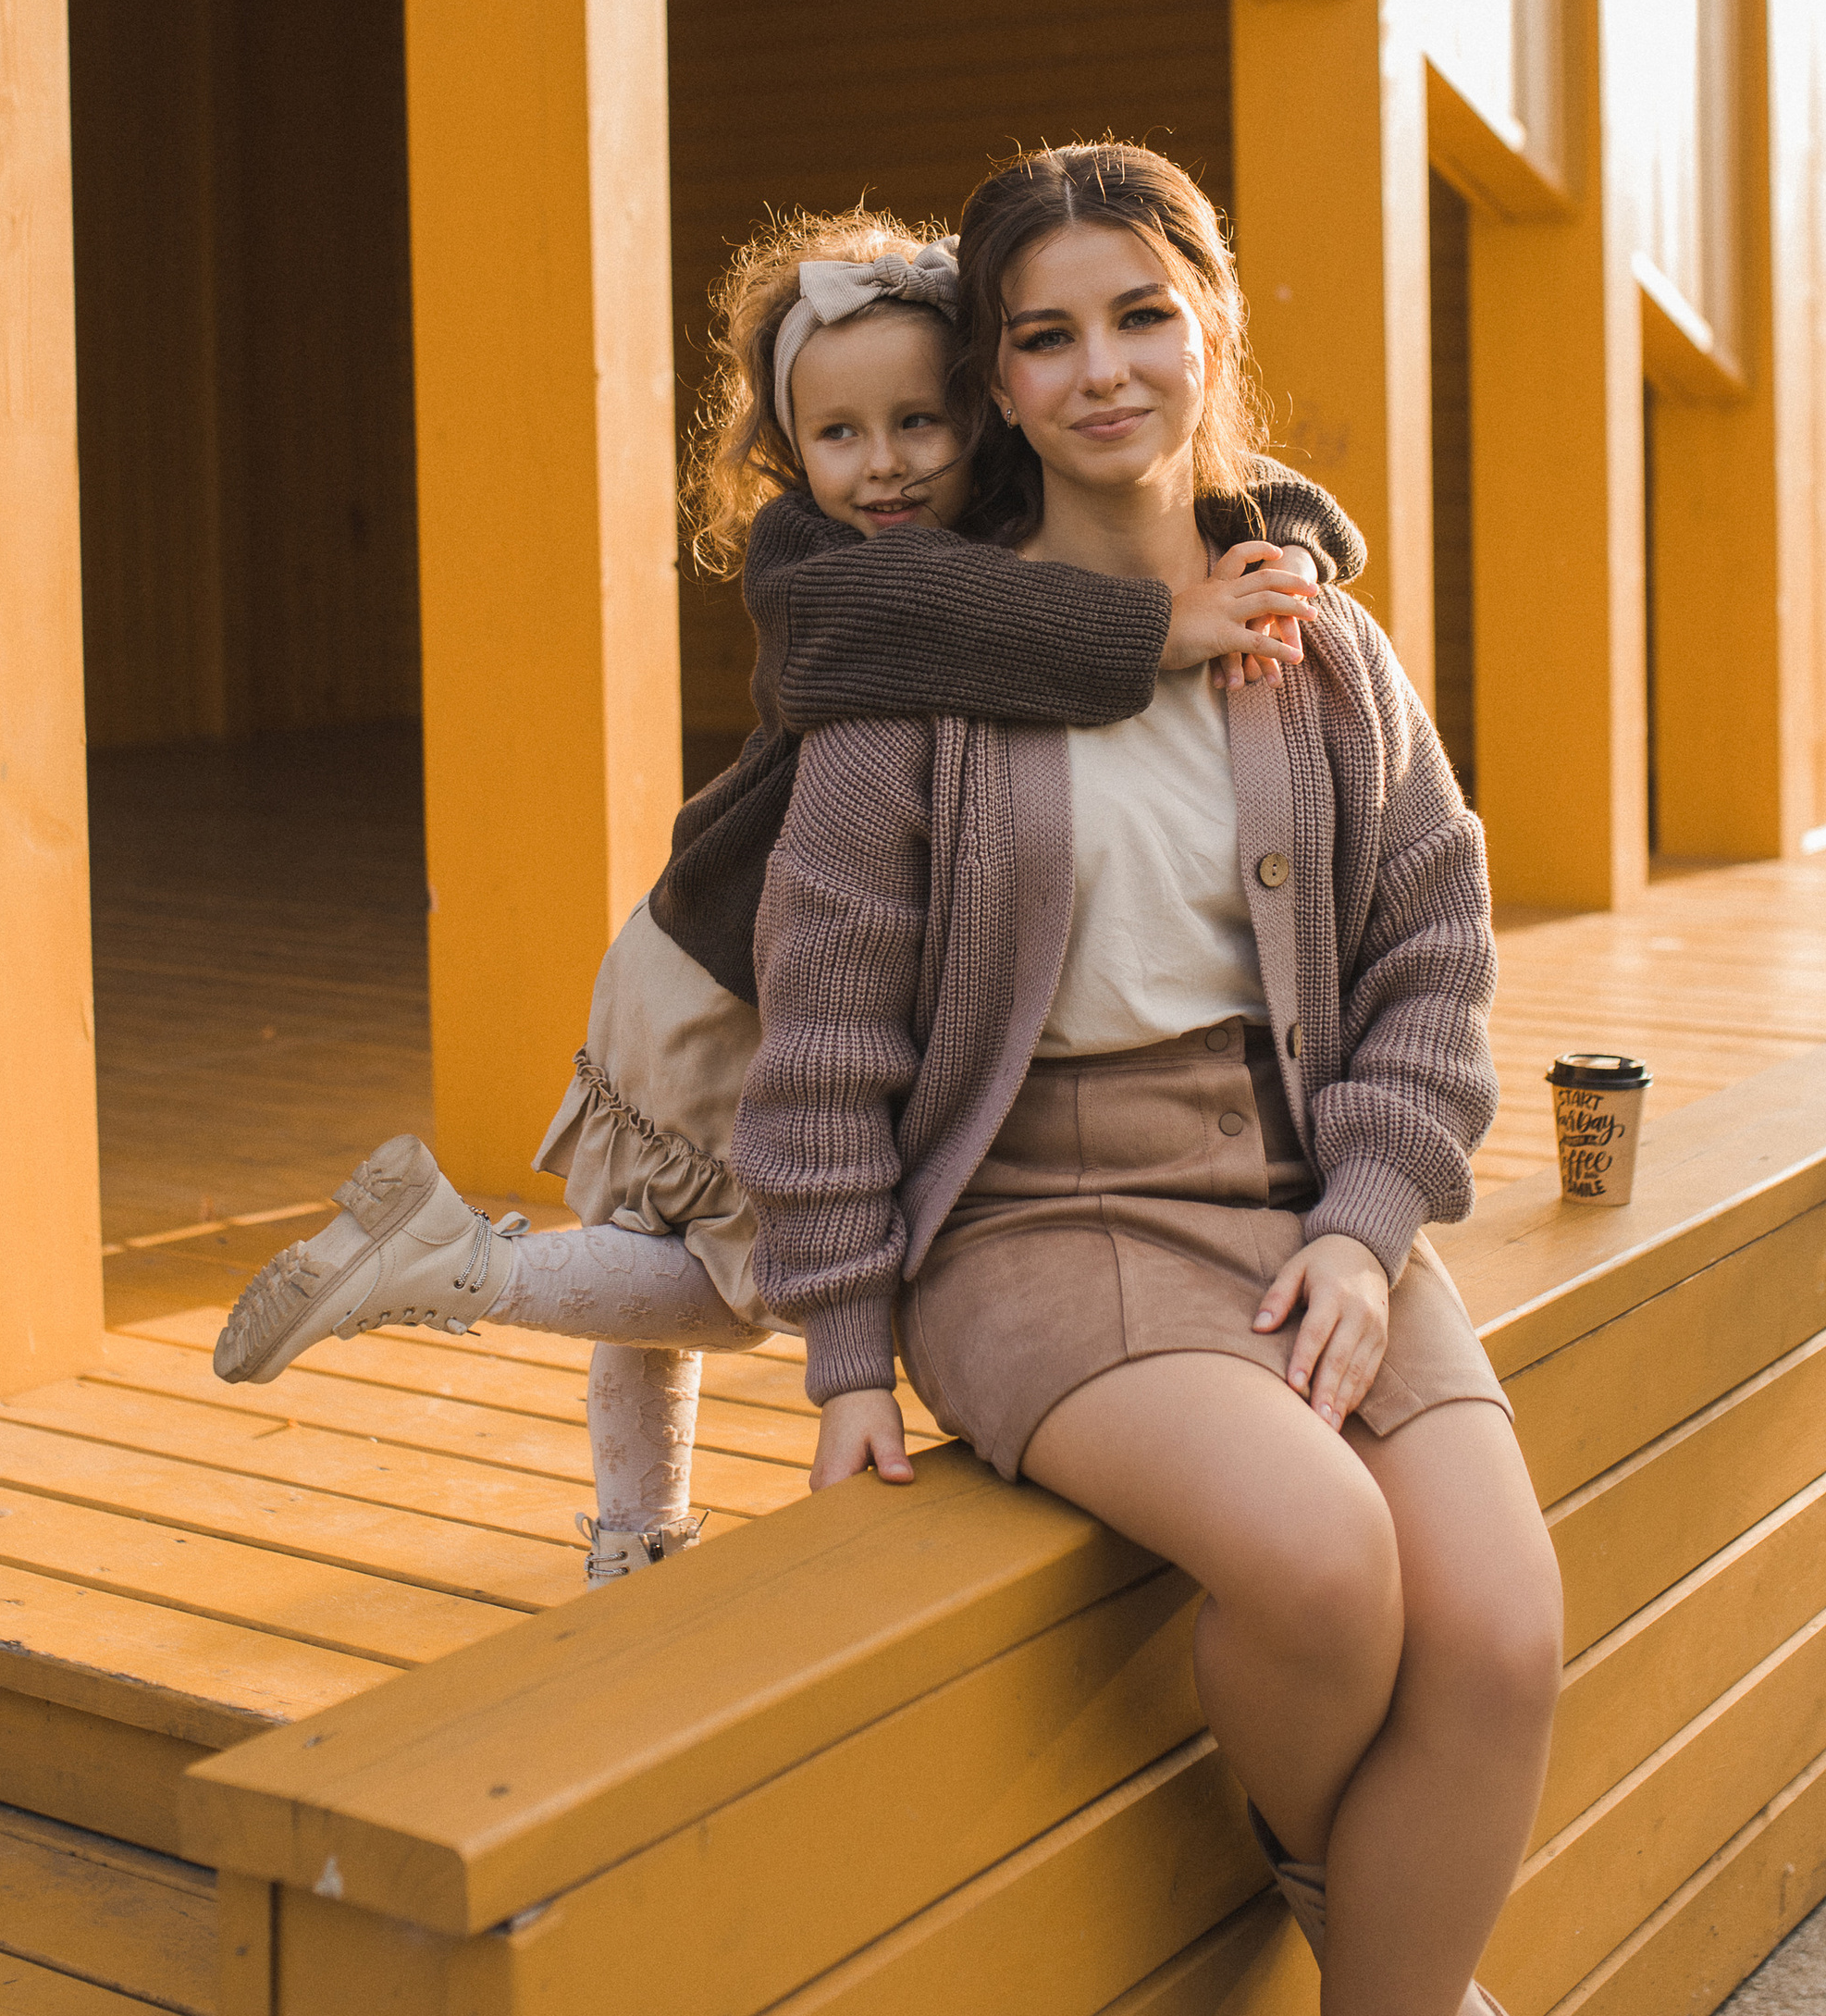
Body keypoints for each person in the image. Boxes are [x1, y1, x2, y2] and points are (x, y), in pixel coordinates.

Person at [730, 142, 1562, 2016]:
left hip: (1305, 1193)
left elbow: (1432, 968)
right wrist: (833, 1350)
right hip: (1037, 1218)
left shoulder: (1326, 639)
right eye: (1042, 332)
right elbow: (825, 1026)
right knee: (1316, 1566)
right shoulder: (922, 652)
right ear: (997, 378)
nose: (1101, 370)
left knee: (1498, 1629)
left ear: (1209, 330)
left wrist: (1370, 1230)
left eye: (1139, 316)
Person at [211, 203, 1355, 1579]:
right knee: (756, 1283)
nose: (883, 470)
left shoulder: (1003, 528)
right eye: (837, 436)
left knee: (650, 1239)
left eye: (920, 423)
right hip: (739, 971)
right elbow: (957, 619)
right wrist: (1161, 628)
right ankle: (463, 1269)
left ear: (984, 414)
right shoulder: (820, 573)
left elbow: (1200, 484)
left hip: (720, 939)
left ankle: (631, 1542)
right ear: (784, 454)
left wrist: (1301, 541)